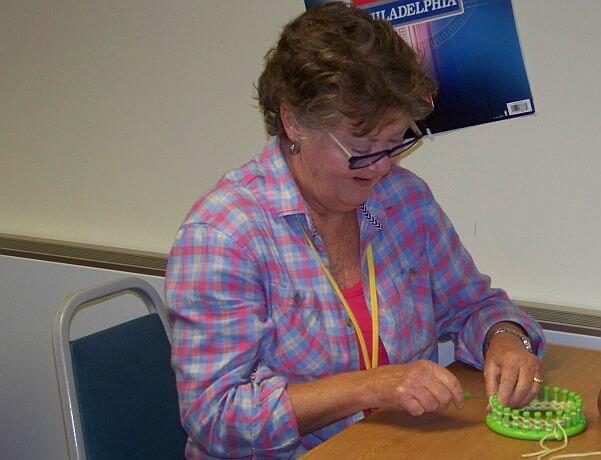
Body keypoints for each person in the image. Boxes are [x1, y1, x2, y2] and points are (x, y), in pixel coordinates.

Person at [165, 3, 546, 458]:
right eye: (362, 148)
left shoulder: (404, 201)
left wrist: (505, 338)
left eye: (396, 143)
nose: (383, 167)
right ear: (293, 121)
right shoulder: (223, 236)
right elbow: (215, 417)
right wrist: (369, 387)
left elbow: (475, 305)